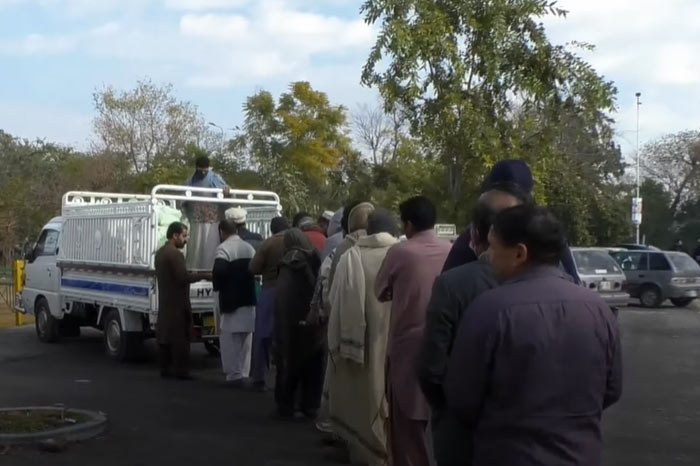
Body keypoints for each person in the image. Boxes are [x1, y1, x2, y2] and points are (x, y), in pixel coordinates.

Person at [445, 205, 623, 466]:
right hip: (581, 455)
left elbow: (462, 397)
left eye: (494, 248)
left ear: (519, 253)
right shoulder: (598, 309)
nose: (489, 257)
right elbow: (612, 389)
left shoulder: (489, 310)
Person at [416, 184, 529, 466]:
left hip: (464, 431)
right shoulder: (571, 293)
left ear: (478, 234)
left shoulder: (454, 284)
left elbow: (432, 368)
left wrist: (450, 409)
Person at [375, 196, 451, 466]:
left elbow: (380, 291)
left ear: (408, 225)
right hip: (446, 344)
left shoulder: (401, 252)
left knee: (406, 424)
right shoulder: (450, 250)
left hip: (408, 345)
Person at [327, 209, 399, 466]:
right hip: (393, 337)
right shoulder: (402, 255)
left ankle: (365, 454)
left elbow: (334, 301)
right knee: (391, 399)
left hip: (358, 343)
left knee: (361, 398)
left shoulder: (351, 255)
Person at [274, 229, 324, 418]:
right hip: (311, 317)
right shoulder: (315, 257)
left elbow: (282, 296)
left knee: (288, 361)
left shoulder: (288, 261)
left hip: (290, 319)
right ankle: (309, 404)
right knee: (311, 362)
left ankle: (287, 406)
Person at [154, 222, 210, 380]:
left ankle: (165, 368)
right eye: (184, 236)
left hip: (165, 300)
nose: (185, 240)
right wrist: (204, 275)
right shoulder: (175, 254)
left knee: (165, 336)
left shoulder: (160, 253)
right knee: (180, 338)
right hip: (178, 302)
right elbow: (182, 277)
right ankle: (181, 371)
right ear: (175, 236)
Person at [213, 219, 257, 386]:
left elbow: (219, 272)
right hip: (248, 299)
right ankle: (244, 373)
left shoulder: (223, 249)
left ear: (222, 232)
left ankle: (233, 374)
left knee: (230, 340)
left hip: (231, 300)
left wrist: (218, 286)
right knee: (246, 339)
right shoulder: (249, 248)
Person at [249, 216, 290, 391]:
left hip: (271, 289)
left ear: (272, 229)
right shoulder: (296, 240)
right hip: (292, 291)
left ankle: (259, 377)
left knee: (263, 336)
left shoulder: (268, 244)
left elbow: (254, 268)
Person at [184, 155, 231, 271]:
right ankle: (194, 270)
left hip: (211, 220)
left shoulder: (214, 177)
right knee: (196, 246)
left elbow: (226, 189)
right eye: (201, 170)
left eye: (206, 170)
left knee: (210, 245)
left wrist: (227, 190)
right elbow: (185, 197)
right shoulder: (191, 180)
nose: (204, 173)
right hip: (196, 219)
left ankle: (210, 271)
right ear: (197, 168)